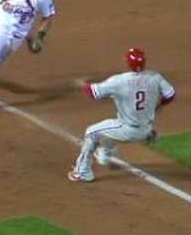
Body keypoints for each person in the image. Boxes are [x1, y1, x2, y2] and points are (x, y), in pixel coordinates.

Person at [68, 47, 175, 183]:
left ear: (128, 63)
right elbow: (170, 95)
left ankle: (83, 172)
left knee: (91, 132)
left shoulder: (119, 81)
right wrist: (157, 107)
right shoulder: (155, 77)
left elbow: (93, 92)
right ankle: (105, 156)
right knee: (110, 128)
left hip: (127, 129)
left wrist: (81, 84)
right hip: (147, 129)